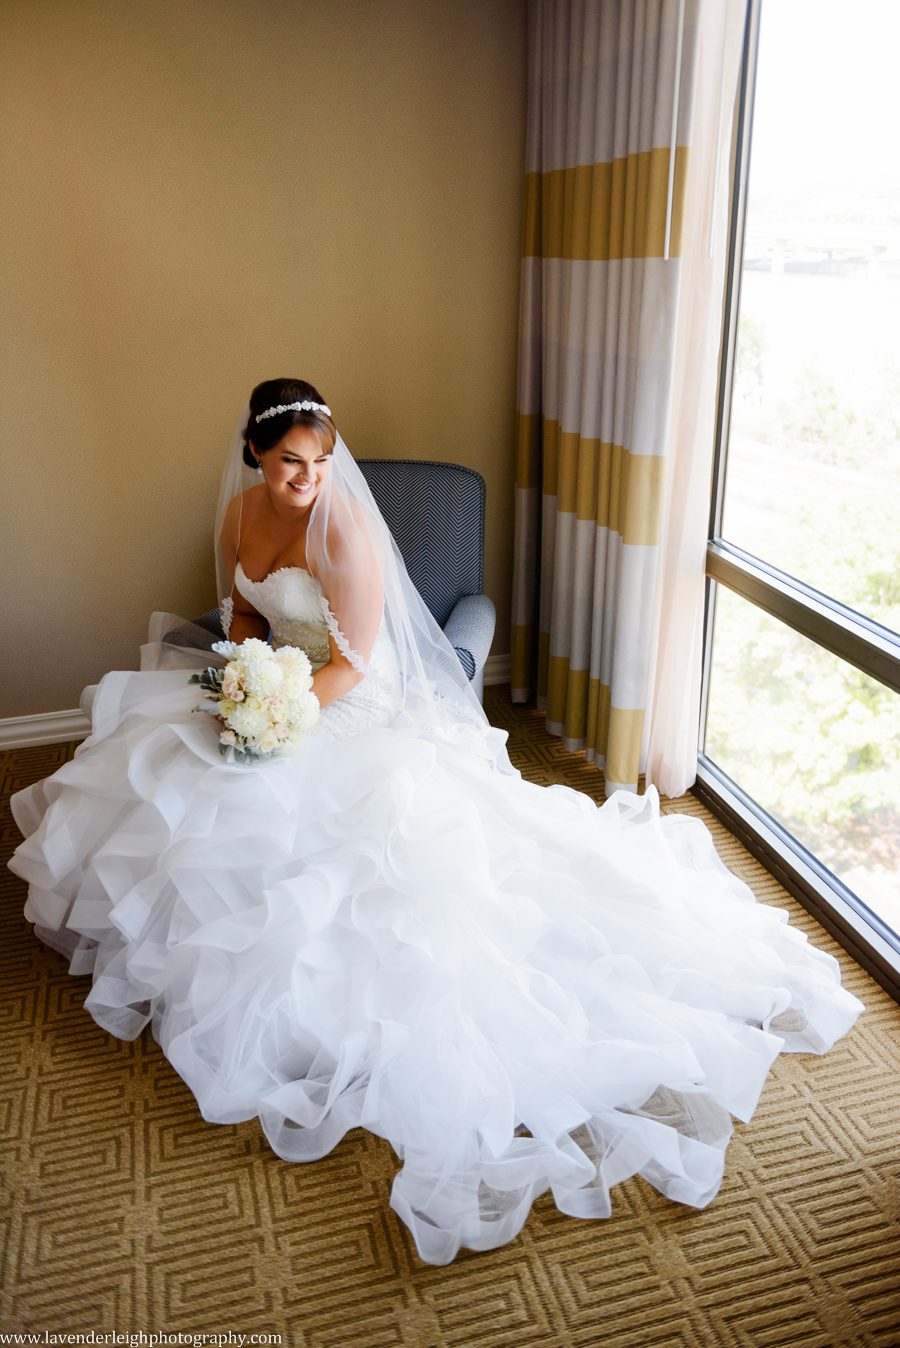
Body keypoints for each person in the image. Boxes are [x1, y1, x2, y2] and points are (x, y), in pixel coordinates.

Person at [8, 377, 864, 1267]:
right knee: (165, 772)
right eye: (290, 462)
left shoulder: (343, 529)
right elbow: (251, 612)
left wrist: (275, 717)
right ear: (255, 453)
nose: (307, 478)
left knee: (307, 823)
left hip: (350, 700)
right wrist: (247, 681)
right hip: (282, 683)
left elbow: (352, 661)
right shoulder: (237, 516)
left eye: (320, 462)